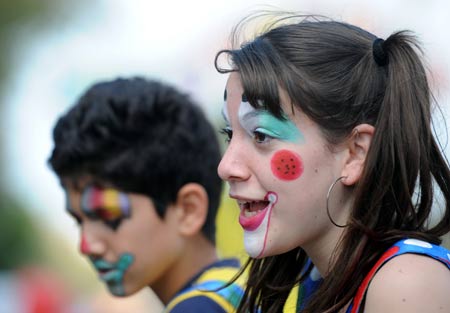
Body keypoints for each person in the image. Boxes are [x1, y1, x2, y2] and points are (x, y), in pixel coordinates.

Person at [215, 13, 450, 313]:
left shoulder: (406, 284)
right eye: (229, 133)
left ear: (355, 154)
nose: (226, 166)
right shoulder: (311, 279)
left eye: (261, 135)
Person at [48, 77, 245, 312]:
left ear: (188, 209)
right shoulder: (241, 292)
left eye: (107, 216)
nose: (86, 245)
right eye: (79, 221)